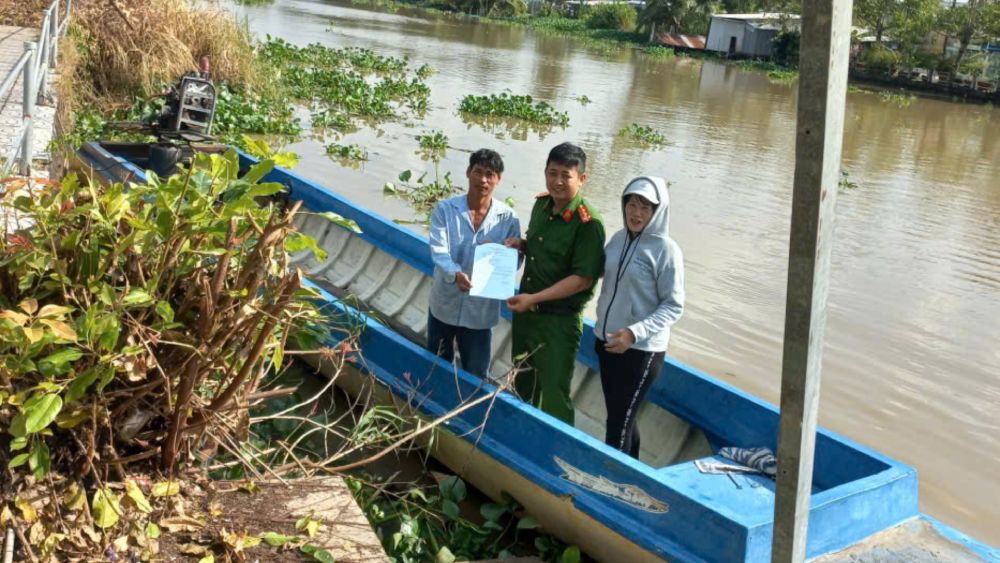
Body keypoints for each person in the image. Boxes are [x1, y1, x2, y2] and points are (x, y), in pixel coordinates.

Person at [505, 143, 606, 425]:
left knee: (554, 394)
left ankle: (556, 456)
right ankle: (520, 434)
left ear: (582, 179)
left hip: (558, 324)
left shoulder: (589, 223)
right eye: (552, 173)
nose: (557, 181)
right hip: (526, 316)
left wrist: (533, 298)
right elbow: (544, 250)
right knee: (521, 380)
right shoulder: (542, 204)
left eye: (566, 175)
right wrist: (522, 245)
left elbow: (582, 279)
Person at [593, 176, 683, 458]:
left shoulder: (666, 250)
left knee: (618, 423)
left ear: (658, 211)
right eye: (632, 204)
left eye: (645, 207)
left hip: (640, 352)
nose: (636, 213)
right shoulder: (619, 239)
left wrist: (634, 333)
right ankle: (632, 473)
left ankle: (612, 481)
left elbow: (674, 305)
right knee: (622, 418)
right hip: (607, 343)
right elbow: (594, 270)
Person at [427, 149, 521, 378]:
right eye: (478, 171)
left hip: (481, 311)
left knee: (476, 372)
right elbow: (439, 251)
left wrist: (512, 252)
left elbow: (515, 262)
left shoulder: (508, 218)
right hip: (444, 304)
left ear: (498, 179)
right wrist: (456, 273)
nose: (483, 179)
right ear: (468, 172)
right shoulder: (445, 210)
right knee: (436, 365)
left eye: (490, 174)